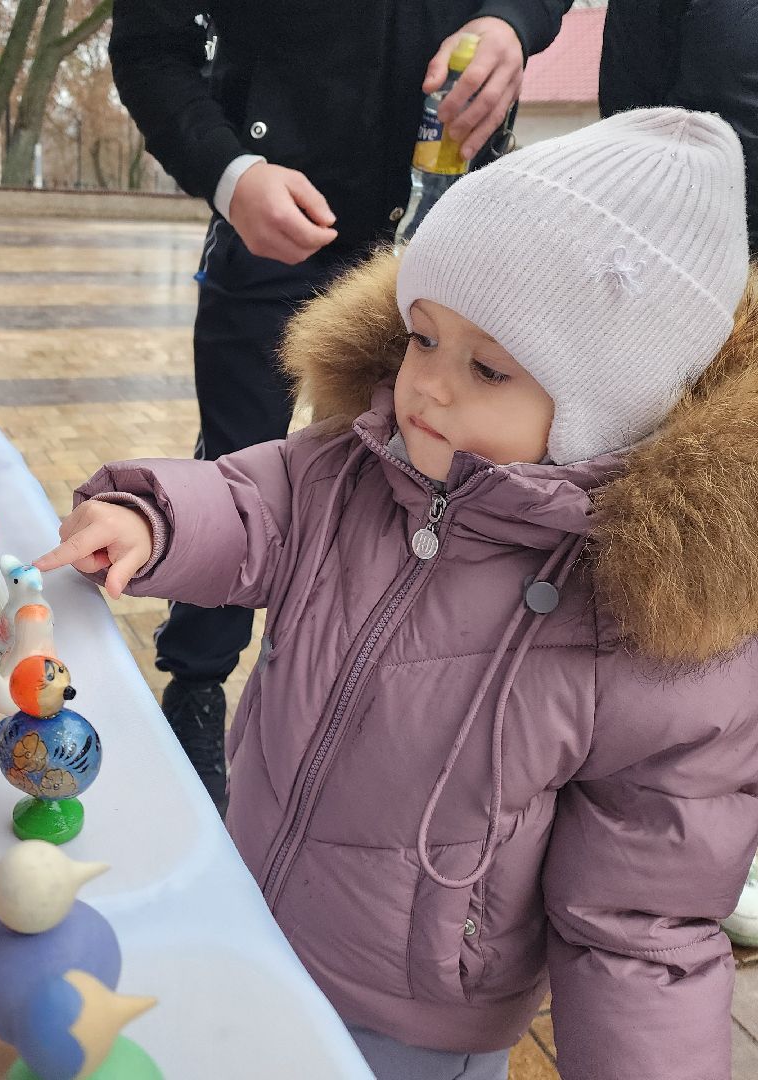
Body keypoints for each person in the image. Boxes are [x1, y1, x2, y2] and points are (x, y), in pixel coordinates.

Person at [35, 110, 758, 1077]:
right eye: (422, 337)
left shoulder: (655, 645)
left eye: (488, 368)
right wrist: (155, 520)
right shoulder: (359, 466)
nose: (426, 385)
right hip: (251, 908)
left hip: (419, 1022)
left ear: (610, 407)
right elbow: (257, 504)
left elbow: (641, 932)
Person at [108, 0, 571, 811]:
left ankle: (380, 700)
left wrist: (513, 22)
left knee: (428, 477)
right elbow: (149, 47)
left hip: (442, 220)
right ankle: (198, 683)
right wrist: (228, 172)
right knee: (239, 463)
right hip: (272, 219)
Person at [601, 0, 758, 950]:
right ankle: (589, 800)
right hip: (703, 315)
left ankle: (714, 828)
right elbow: (633, 113)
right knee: (635, 569)